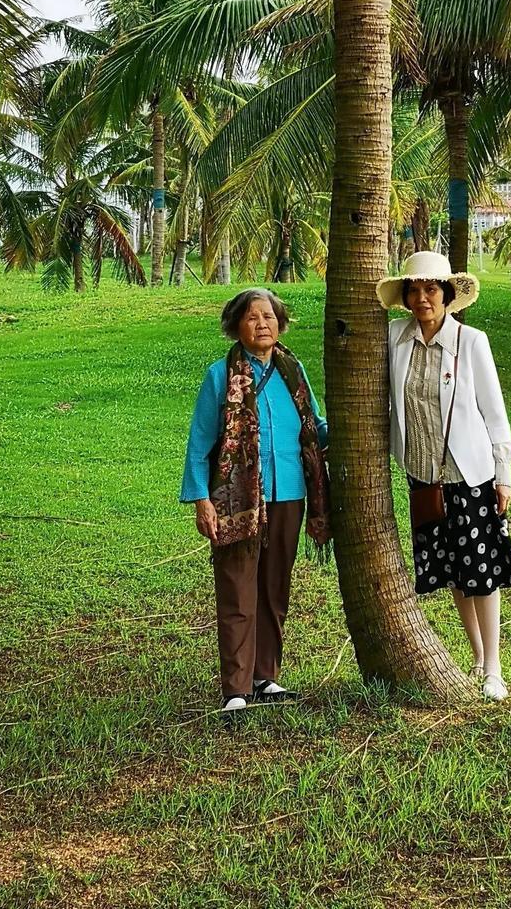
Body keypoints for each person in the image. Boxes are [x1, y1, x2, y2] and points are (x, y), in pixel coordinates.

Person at [377, 251, 511, 701]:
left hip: (470, 474)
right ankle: (477, 656)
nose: (423, 298)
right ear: (405, 297)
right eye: (415, 290)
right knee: (453, 570)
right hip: (423, 474)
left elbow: (494, 413)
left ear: (447, 295)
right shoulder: (394, 338)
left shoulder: (471, 342)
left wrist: (504, 474)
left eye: (431, 290)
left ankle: (495, 668)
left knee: (482, 569)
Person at [181, 288, 330, 716]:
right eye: (252, 317)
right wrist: (201, 499)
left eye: (269, 316)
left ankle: (265, 676)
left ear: (280, 324)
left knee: (274, 587)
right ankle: (236, 688)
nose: (262, 323)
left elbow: (313, 426)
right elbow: (200, 443)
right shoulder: (219, 376)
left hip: (289, 493)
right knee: (236, 587)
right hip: (237, 498)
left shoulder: (292, 370)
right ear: (236, 326)